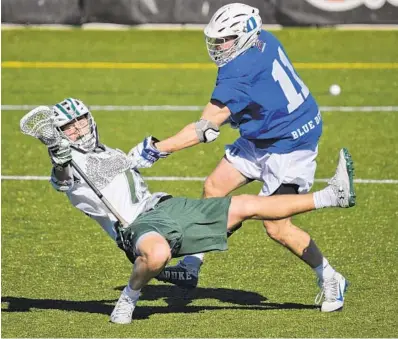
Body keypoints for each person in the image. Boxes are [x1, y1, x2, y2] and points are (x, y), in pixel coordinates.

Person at [43, 98, 355, 324]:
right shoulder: (70, 164)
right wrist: (59, 158)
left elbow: (138, 160)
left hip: (165, 207)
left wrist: (152, 148)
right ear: (59, 134)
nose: (79, 128)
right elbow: (63, 179)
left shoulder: (108, 151)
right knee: (156, 254)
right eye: (69, 126)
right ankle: (128, 299)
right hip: (135, 229)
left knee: (246, 205)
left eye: (82, 119)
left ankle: (331, 196)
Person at [131, 3, 354, 313]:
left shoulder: (238, 71)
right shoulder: (265, 40)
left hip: (292, 143)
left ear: (246, 35)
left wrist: (155, 149)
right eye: (217, 39)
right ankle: (192, 266)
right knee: (214, 188)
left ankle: (330, 276)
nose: (219, 46)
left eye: (226, 39)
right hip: (264, 134)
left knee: (277, 227)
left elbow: (203, 130)